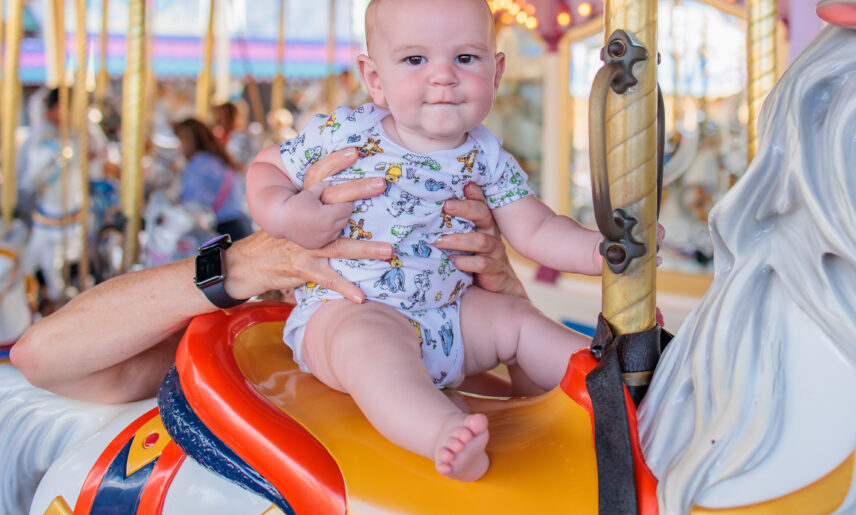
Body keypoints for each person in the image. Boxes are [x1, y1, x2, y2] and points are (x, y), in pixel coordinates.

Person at [246, 0, 607, 482]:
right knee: (371, 349)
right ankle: (439, 433)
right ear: (375, 78)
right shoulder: (346, 132)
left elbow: (537, 229)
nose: (443, 76)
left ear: (496, 71)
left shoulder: (486, 156)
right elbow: (267, 169)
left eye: (465, 58)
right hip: (351, 304)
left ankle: (612, 387)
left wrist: (604, 252)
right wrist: (289, 213)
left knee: (518, 320)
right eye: (416, 60)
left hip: (453, 312)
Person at [10, 148, 525, 404]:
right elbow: (44, 355)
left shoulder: (453, 345)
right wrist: (243, 264)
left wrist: (509, 296)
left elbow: (550, 415)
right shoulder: (256, 340)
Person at [17, 88, 85, 311]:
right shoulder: (44, 134)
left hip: (66, 209)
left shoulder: (70, 133)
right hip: (44, 208)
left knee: (58, 263)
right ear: (59, 108)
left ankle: (56, 296)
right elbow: (31, 175)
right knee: (34, 259)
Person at [173, 118, 253, 241]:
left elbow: (192, 204)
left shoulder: (199, 163)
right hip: (239, 224)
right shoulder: (216, 159)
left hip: (223, 228)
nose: (179, 147)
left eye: (180, 141)